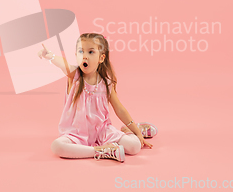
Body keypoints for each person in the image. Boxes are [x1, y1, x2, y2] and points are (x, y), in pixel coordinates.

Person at [37, 33, 157, 163]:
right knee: (57, 146)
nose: (85, 56)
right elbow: (63, 63)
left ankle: (129, 131)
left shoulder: (106, 84)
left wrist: (137, 133)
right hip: (76, 133)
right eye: (81, 51)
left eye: (90, 52)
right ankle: (103, 151)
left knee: (134, 147)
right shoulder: (75, 76)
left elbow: (119, 109)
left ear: (101, 58)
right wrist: (50, 56)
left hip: (102, 131)